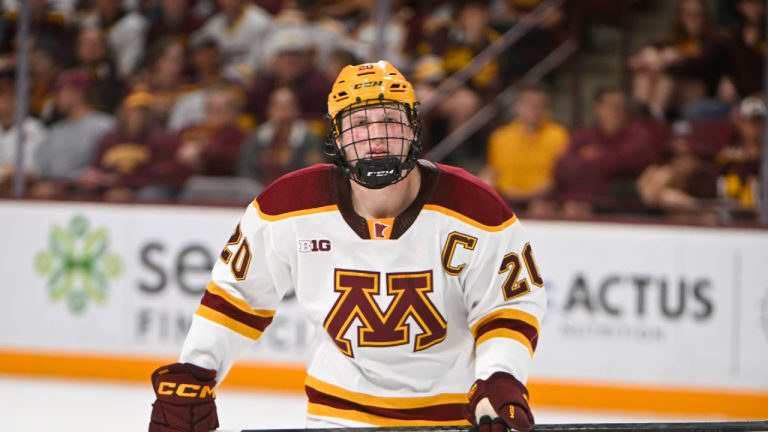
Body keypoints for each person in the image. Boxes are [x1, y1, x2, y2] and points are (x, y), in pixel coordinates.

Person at [149, 60, 547, 432]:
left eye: (390, 119)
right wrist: (196, 370)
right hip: (338, 414)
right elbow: (237, 296)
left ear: (414, 128)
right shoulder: (287, 206)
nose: (375, 136)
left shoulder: (475, 208)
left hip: (454, 415)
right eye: (359, 123)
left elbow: (507, 306)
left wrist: (499, 375)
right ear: (337, 137)